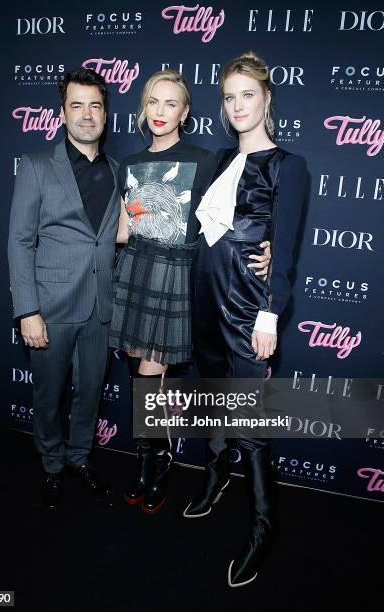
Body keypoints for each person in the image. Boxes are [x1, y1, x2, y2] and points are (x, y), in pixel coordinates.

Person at [111, 69, 272, 514]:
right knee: (140, 378)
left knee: (152, 376)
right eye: (153, 103)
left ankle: (157, 463)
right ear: (143, 109)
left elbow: (244, 209)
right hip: (136, 273)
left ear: (185, 111)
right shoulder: (128, 163)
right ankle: (150, 459)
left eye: (171, 104)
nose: (160, 112)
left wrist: (269, 243)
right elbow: (124, 229)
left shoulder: (208, 159)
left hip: (180, 276)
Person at [183, 51, 307, 588]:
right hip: (205, 300)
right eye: (229, 97)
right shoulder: (215, 159)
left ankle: (263, 526)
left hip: (247, 307)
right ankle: (215, 475)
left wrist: (269, 316)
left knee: (252, 424)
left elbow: (288, 249)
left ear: (267, 98)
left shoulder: (288, 165)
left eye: (247, 95)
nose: (237, 105)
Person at [8, 67, 119, 510]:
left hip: (100, 308)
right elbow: (19, 240)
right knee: (48, 395)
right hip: (49, 307)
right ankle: (52, 466)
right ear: (63, 112)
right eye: (77, 105)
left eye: (95, 105)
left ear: (105, 114)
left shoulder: (116, 170)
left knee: (90, 392)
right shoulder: (37, 166)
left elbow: (126, 232)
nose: (86, 115)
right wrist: (27, 310)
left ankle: (79, 457)